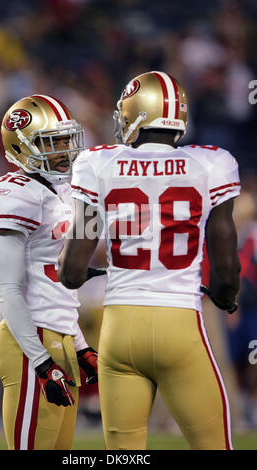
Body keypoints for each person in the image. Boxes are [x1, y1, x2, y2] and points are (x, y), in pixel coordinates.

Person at [58, 71, 241, 450]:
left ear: (135, 114)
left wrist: (83, 271)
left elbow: (72, 271)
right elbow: (226, 262)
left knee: (124, 455)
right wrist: (225, 296)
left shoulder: (97, 163)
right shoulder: (211, 163)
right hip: (180, 327)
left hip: (120, 330)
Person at [0, 94, 99, 450]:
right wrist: (43, 363)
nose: (63, 151)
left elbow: (55, 286)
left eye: (66, 140)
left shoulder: (61, 192)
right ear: (21, 145)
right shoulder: (11, 195)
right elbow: (8, 291)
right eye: (51, 143)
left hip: (58, 337)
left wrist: (77, 344)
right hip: (29, 344)